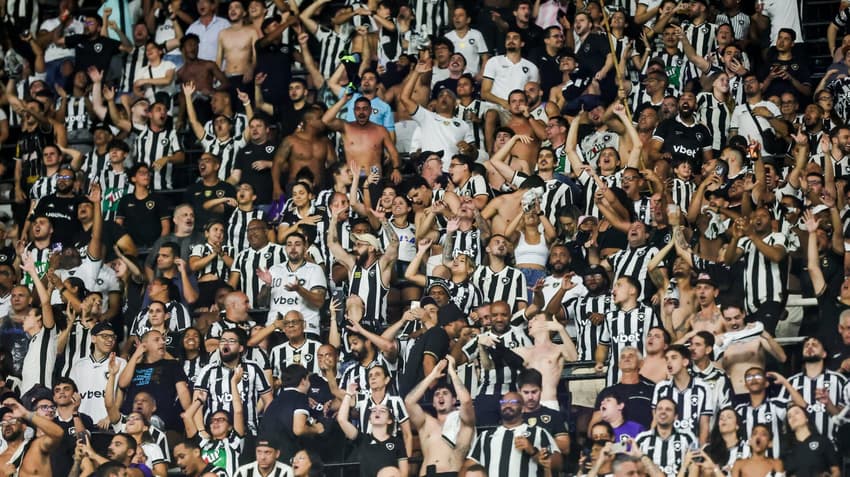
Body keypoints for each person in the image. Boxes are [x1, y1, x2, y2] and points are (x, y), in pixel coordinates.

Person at [405, 355, 475, 476]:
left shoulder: (462, 422)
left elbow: (466, 401)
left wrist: (452, 373)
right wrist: (432, 375)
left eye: (445, 393)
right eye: (437, 394)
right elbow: (409, 402)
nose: (440, 396)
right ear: (433, 403)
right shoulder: (426, 422)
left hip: (451, 473)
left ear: (454, 400)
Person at [464, 391, 559, 476]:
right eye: (504, 402)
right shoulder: (485, 436)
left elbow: (558, 464)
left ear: (523, 408)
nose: (507, 405)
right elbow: (467, 467)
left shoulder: (539, 432)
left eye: (513, 402)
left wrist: (533, 451)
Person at [0, 400, 64, 476]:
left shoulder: (37, 446)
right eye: (3, 422)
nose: (7, 425)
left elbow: (58, 434)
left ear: (24, 426)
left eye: (12, 420)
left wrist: (26, 414)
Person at [782, 404, 842, 477]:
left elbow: (836, 471)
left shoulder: (823, 441)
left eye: (797, 412)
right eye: (789, 416)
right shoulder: (786, 448)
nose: (793, 417)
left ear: (806, 418)